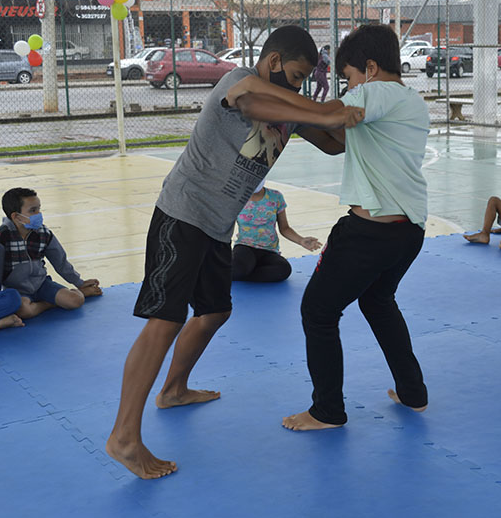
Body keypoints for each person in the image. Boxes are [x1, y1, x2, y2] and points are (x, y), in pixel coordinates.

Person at [106, 25, 363, 480]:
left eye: (307, 80)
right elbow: (251, 101)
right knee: (164, 320)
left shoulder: (290, 107)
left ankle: (174, 389)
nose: (299, 86)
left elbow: (334, 143)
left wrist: (366, 112)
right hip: (182, 215)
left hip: (216, 228)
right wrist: (326, 110)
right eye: (297, 75)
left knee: (213, 312)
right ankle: (124, 436)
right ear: (274, 61)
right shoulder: (237, 82)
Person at [231, 24, 431, 431]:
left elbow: (331, 114)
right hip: (409, 232)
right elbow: (336, 139)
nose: (349, 88)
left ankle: (327, 410)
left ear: (370, 68)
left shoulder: (372, 93)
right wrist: (301, 122)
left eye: (350, 78)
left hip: (367, 233)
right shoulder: (412, 101)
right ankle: (413, 392)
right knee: (378, 302)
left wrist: (266, 104)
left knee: (318, 312)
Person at [0, 188, 102, 321]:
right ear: (16, 216)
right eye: (32, 210)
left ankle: (71, 295)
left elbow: (60, 261)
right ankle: (51, 303)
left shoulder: (43, 233)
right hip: (18, 291)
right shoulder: (1, 237)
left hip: (42, 285)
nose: (38, 214)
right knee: (24, 311)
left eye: (39, 209)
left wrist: (79, 282)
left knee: (76, 301)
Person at [232, 181, 322, 282]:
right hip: (245, 247)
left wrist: (301, 240)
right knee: (238, 268)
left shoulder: (275, 197)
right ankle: (240, 271)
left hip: (269, 251)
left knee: (283, 270)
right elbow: (227, 227)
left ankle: (241, 273)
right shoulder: (236, 198)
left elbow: (284, 228)